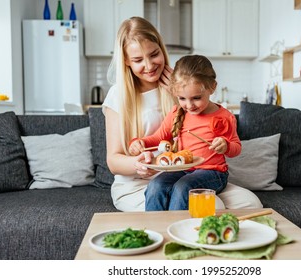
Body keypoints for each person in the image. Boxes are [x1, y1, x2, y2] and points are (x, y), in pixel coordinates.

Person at [129, 55, 241, 211]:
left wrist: (226, 146)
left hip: (213, 173)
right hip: (182, 167)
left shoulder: (223, 117)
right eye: (182, 98)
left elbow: (236, 147)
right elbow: (159, 137)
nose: (189, 105)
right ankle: (153, 230)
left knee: (183, 187)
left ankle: (176, 230)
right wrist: (140, 142)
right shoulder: (177, 113)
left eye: (196, 98)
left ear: (212, 87)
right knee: (156, 185)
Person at [102, 16, 177, 211]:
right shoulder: (117, 95)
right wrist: (139, 164)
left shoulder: (179, 86)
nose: (150, 66)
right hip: (135, 186)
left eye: (154, 54)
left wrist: (179, 95)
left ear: (161, 48)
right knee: (198, 208)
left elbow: (206, 129)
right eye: (138, 60)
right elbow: (113, 160)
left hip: (179, 178)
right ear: (126, 61)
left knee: (248, 203)